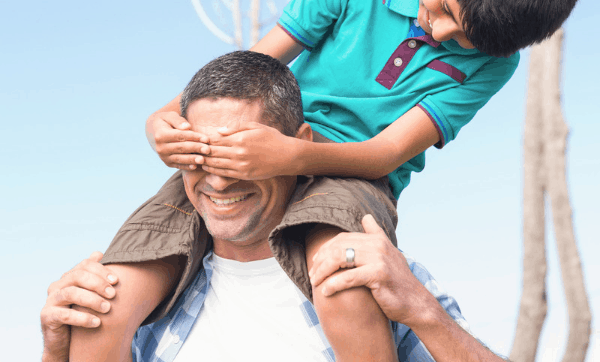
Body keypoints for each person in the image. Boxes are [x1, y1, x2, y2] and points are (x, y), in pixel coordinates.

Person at [102, 0, 581, 358]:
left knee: (342, 283)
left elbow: (383, 153)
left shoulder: (494, 67)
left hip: (354, 179)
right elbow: (259, 62)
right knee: (103, 305)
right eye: (444, 8)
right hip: (271, 137)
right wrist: (162, 119)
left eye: (464, 38)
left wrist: (289, 156)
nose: (442, 32)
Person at [41, 51, 505, 362]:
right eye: (200, 155)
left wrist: (425, 313)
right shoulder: (141, 306)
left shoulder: (384, 280)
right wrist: (54, 350)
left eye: (239, 154)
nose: (218, 179)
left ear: (298, 146)